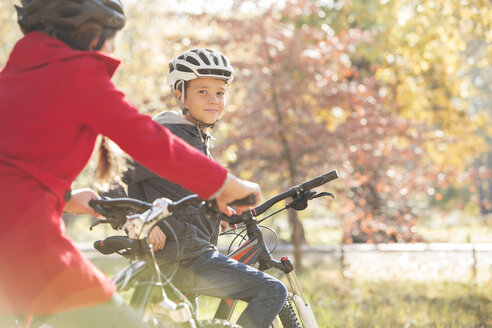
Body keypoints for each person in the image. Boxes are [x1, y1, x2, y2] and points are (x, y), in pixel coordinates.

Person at [0, 1, 261, 327]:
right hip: (23, 240)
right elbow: (145, 139)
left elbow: (17, 157)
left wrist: (65, 197)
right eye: (113, 37)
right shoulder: (76, 72)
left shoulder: (13, 76)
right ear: (92, 34)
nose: (114, 48)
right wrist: (226, 185)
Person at [120, 48, 287, 328]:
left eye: (220, 93)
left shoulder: (195, 136)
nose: (214, 100)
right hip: (185, 258)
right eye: (202, 92)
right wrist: (142, 221)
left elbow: (172, 190)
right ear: (179, 93)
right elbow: (116, 176)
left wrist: (213, 214)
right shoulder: (168, 136)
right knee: (272, 290)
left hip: (186, 252)